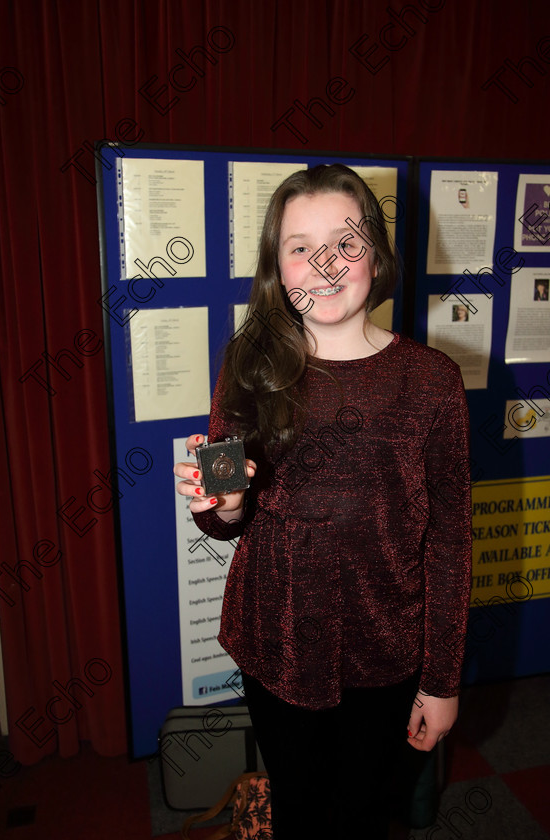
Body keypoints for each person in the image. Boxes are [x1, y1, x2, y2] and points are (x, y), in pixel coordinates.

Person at [174, 164, 472, 839]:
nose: (325, 264)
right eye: (300, 246)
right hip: (275, 636)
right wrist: (219, 506)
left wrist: (443, 681)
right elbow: (223, 515)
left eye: (346, 242)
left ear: (376, 255)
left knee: (368, 813)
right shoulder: (246, 361)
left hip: (387, 641)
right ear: (277, 266)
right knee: (302, 809)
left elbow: (450, 540)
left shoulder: (432, 381)